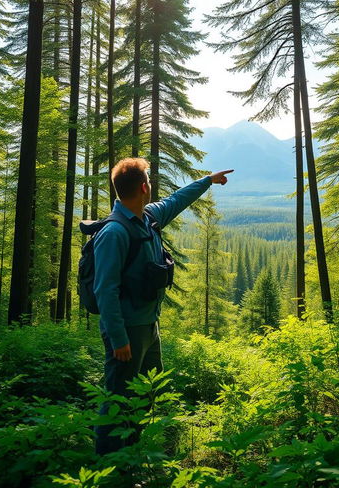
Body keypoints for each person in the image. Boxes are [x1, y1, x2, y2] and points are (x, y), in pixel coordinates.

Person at [93, 157, 233, 454]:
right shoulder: (114, 232)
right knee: (118, 399)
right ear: (144, 187)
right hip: (127, 330)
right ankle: (108, 466)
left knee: (144, 393)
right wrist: (118, 338)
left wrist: (208, 180)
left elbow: (177, 199)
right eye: (150, 181)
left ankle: (134, 455)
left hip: (148, 324)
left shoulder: (148, 217)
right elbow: (105, 290)